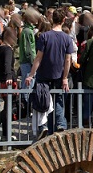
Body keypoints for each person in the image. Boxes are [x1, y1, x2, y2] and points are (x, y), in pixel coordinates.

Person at [25, 8, 74, 140]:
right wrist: (65, 78)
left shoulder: (44, 37)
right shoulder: (67, 39)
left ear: (52, 19)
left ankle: (44, 126)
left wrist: (31, 74)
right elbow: (68, 60)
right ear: (64, 20)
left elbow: (38, 58)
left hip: (44, 73)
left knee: (42, 100)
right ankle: (59, 124)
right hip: (59, 74)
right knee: (58, 100)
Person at [0, 27, 18, 141]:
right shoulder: (8, 50)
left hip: (0, 81)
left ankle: (4, 132)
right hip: (8, 81)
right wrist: (9, 76)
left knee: (7, 108)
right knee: (9, 108)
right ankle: (5, 133)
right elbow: (7, 64)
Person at [19, 8, 40, 91]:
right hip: (28, 63)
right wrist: (34, 64)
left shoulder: (27, 30)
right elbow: (29, 50)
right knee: (28, 86)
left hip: (26, 62)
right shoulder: (28, 32)